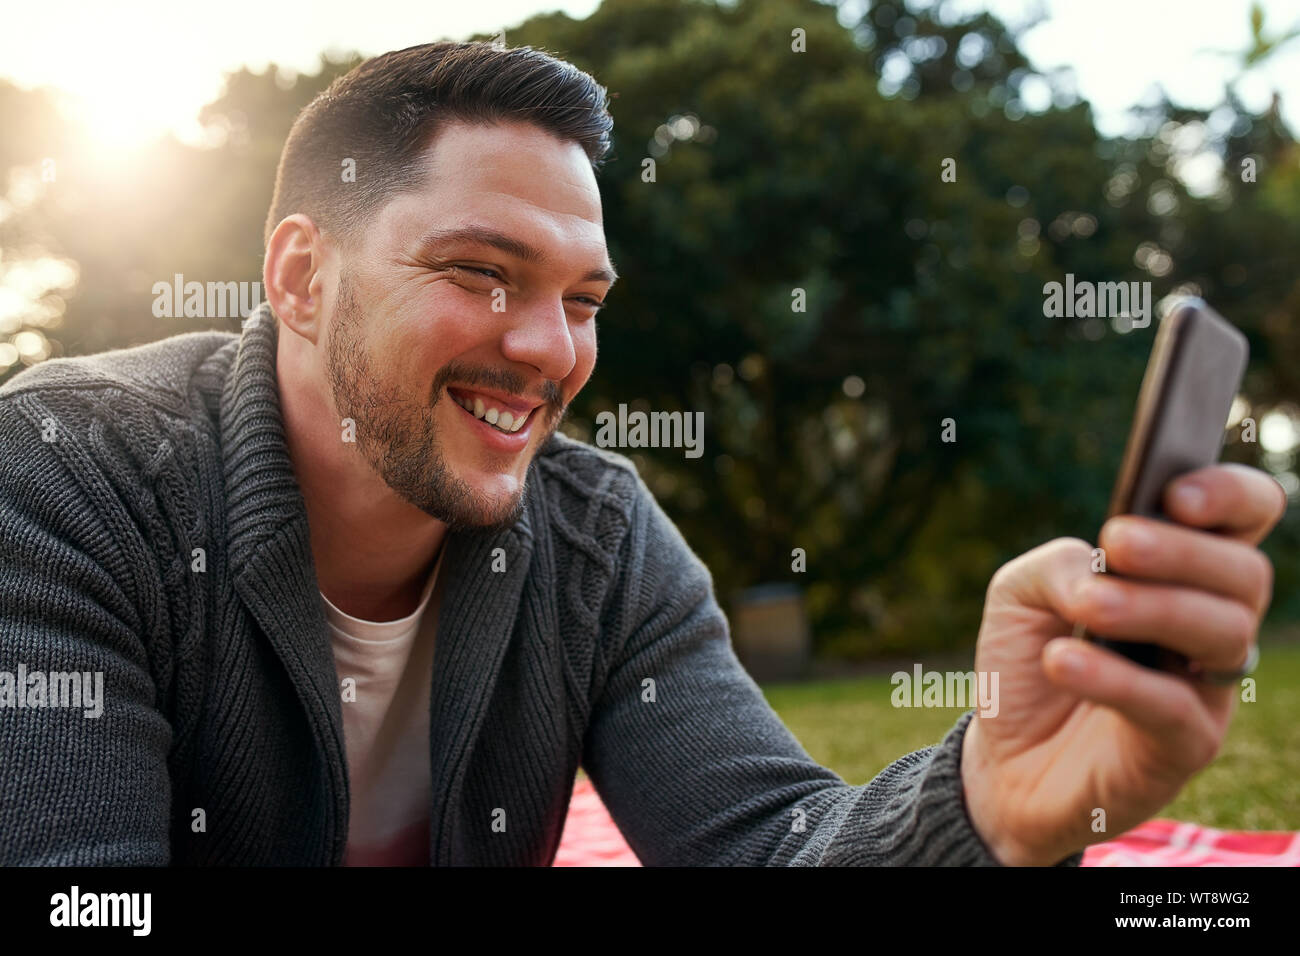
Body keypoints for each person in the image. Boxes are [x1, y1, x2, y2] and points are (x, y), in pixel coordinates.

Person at [0, 41, 1283, 867]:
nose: (546, 350)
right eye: (478, 271)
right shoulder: (67, 474)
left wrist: (984, 793)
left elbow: (770, 844)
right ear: (299, 273)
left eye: (584, 299)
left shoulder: (600, 538)